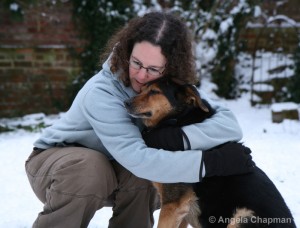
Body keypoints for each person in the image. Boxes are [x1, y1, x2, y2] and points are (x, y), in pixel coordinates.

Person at [25, 11, 254, 228]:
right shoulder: (101, 93)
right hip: (57, 166)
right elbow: (138, 158)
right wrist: (210, 163)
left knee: (150, 173)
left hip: (116, 167)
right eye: (136, 63)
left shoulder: (171, 87)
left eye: (153, 69)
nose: (142, 75)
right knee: (96, 167)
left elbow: (228, 124)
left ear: (170, 67)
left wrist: (178, 139)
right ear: (126, 52)